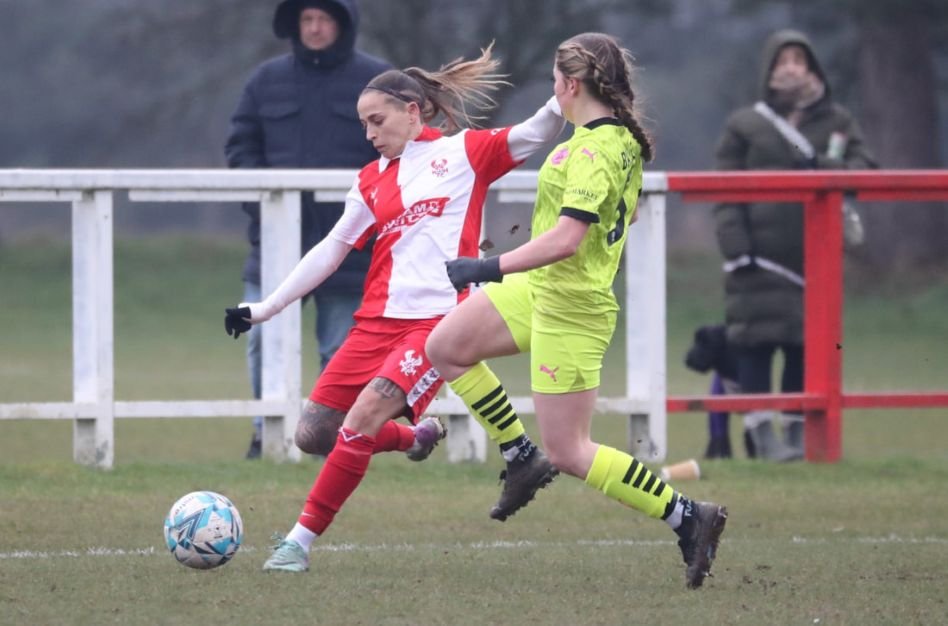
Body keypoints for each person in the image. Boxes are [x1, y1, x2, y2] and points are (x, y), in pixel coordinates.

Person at [224, 44, 567, 572]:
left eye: (376, 120)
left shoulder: (464, 154)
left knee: (361, 418)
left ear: (413, 111)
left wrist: (566, 88)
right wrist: (266, 307)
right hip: (375, 324)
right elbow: (333, 248)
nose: (369, 133)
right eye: (363, 124)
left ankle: (297, 544)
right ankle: (414, 435)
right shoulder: (369, 180)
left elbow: (537, 131)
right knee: (312, 434)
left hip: (435, 325)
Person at [425, 32, 727, 589]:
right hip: (543, 287)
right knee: (445, 346)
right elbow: (624, 217)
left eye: (553, 82)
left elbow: (566, 239)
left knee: (570, 450)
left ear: (568, 84)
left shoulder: (588, 149)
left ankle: (689, 517)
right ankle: (520, 456)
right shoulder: (619, 142)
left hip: (572, 305)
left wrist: (486, 267)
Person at [225, 0, 392, 459]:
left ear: (344, 24)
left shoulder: (377, 82)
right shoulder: (265, 82)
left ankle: (330, 439)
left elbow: (401, 152)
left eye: (324, 18)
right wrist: (261, 208)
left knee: (339, 348)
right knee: (261, 339)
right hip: (275, 243)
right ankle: (266, 436)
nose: (315, 28)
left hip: (354, 245)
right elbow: (241, 147)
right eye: (307, 19)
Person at [711, 29, 876, 461]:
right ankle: (763, 437)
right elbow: (724, 190)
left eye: (799, 60)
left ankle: (800, 437)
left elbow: (864, 168)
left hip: (814, 257)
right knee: (755, 345)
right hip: (756, 259)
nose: (791, 68)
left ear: (813, 68)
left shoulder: (838, 121)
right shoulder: (744, 123)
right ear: (769, 69)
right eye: (782, 60)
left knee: (806, 347)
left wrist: (822, 167)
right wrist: (736, 249)